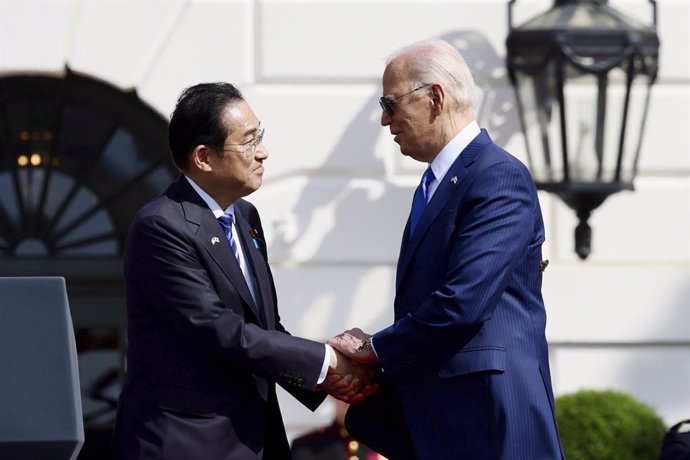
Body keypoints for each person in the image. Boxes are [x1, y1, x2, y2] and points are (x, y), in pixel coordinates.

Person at [111, 82, 375, 460]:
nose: (263, 153)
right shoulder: (161, 226)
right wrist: (326, 361)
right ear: (204, 157)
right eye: (249, 141)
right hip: (187, 444)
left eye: (260, 137)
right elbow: (219, 329)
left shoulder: (245, 218)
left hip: (254, 438)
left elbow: (264, 327)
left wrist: (329, 378)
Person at [329, 40, 565, 459]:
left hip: (492, 421)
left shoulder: (497, 176)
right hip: (447, 422)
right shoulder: (439, 182)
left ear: (436, 97)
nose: (385, 120)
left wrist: (375, 349)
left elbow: (463, 302)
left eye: (390, 103)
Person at [290, 398, 388, 460]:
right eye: (344, 393)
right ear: (332, 395)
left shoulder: (387, 443)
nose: (350, 400)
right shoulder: (305, 447)